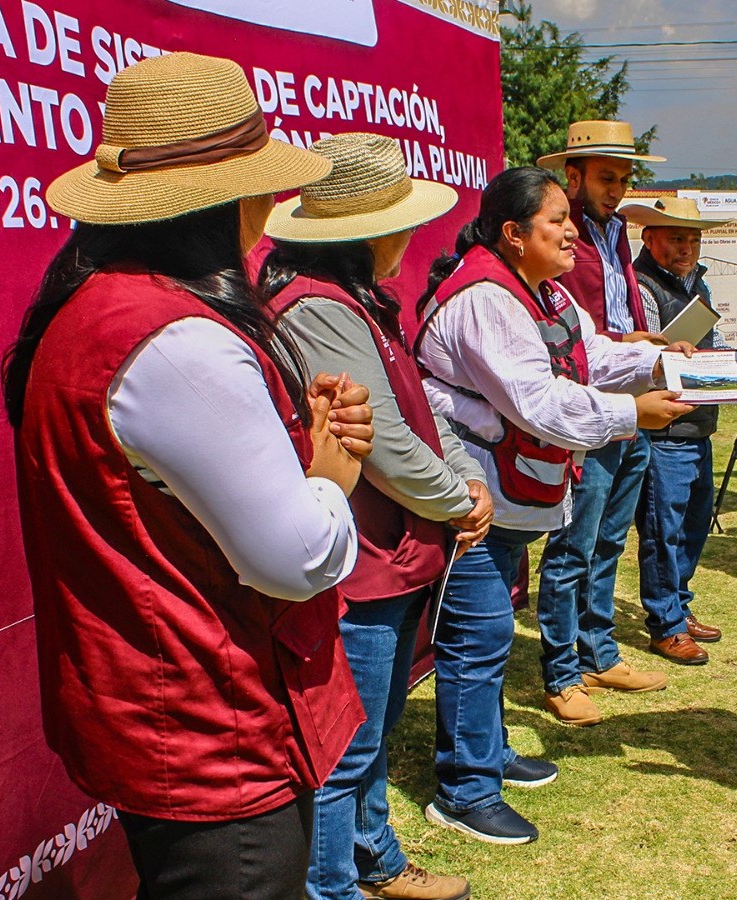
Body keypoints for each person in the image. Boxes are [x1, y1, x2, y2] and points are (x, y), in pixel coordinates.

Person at [2, 53, 376, 898]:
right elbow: (296, 557)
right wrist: (330, 475)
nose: (272, 213)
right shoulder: (178, 340)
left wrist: (292, 438)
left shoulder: (93, 304)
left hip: (163, 722)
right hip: (216, 740)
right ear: (221, 203)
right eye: (263, 188)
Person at [414, 166, 691, 843]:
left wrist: (649, 357)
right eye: (557, 222)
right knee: (478, 640)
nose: (573, 233)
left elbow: (587, 353)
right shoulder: (486, 300)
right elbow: (537, 400)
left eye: (570, 220)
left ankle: (488, 751)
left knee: (490, 635)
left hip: (506, 498)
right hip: (472, 498)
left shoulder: (540, 292)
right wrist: (633, 412)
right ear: (513, 235)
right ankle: (465, 789)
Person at [261, 133, 483, 900]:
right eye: (400, 222)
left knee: (368, 734)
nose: (410, 237)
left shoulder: (353, 300)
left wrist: (459, 478)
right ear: (362, 232)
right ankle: (334, 885)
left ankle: (373, 856)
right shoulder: (318, 308)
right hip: (356, 561)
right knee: (345, 746)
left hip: (382, 553)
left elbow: (416, 412)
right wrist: (458, 499)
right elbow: (384, 443)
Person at [534, 120, 685, 725]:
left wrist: (637, 340)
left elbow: (610, 310)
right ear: (572, 175)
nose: (617, 188)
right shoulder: (562, 233)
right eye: (606, 177)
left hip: (628, 391)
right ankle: (560, 671)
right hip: (586, 401)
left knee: (610, 538)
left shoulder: (616, 229)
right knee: (574, 542)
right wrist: (625, 342)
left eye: (624, 177)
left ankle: (597, 651)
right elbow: (566, 324)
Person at [624, 197, 730, 665]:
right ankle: (665, 623)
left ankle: (678, 608)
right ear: (650, 239)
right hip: (665, 425)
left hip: (695, 423)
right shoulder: (642, 285)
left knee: (690, 524)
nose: (687, 247)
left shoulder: (696, 284)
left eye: (693, 237)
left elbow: (711, 344)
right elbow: (647, 358)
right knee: (663, 530)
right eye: (676, 237)